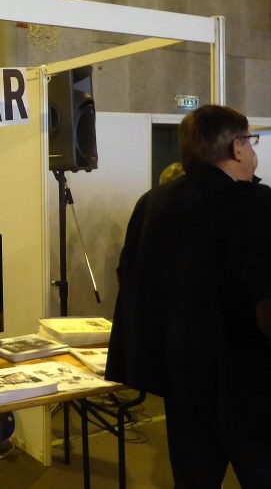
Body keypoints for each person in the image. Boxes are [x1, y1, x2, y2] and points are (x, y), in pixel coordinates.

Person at [105, 104, 271, 489]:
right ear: (235, 147)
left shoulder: (151, 203)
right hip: (247, 383)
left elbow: (130, 279)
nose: (253, 151)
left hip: (181, 379)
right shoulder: (256, 204)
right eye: (250, 141)